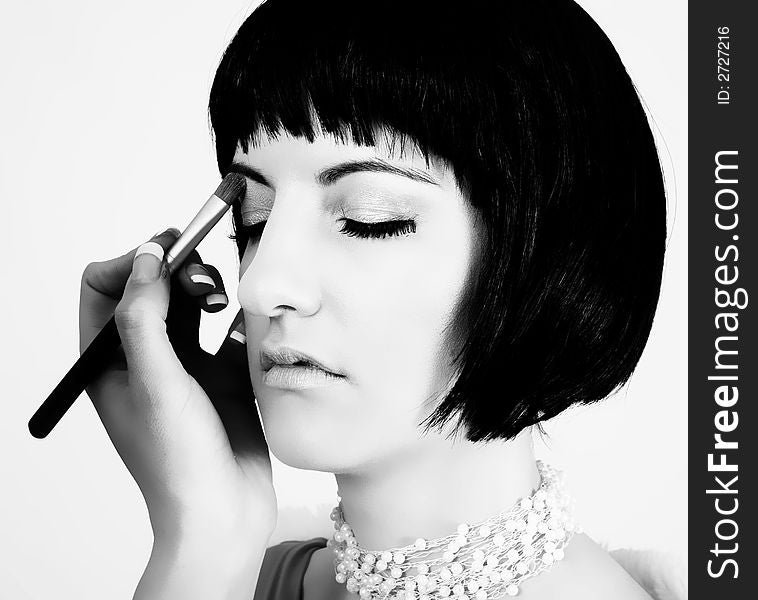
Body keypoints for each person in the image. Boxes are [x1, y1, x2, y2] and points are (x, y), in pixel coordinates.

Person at [80, 0, 666, 598]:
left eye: (368, 220)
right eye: (254, 220)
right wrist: (204, 533)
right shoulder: (231, 576)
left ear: (550, 251)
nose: (258, 287)